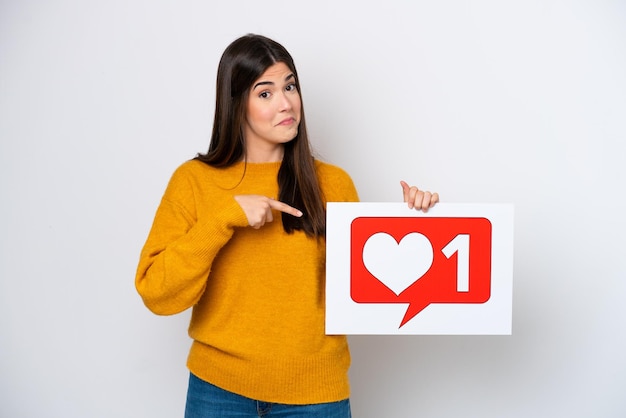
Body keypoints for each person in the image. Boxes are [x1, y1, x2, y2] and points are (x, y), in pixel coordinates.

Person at [135, 33, 439, 418]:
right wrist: (221, 220)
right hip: (218, 392)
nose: (286, 103)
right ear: (235, 103)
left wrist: (416, 225)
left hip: (316, 396)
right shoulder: (194, 181)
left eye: (290, 86)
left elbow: (365, 294)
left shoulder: (333, 184)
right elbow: (157, 294)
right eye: (265, 93)